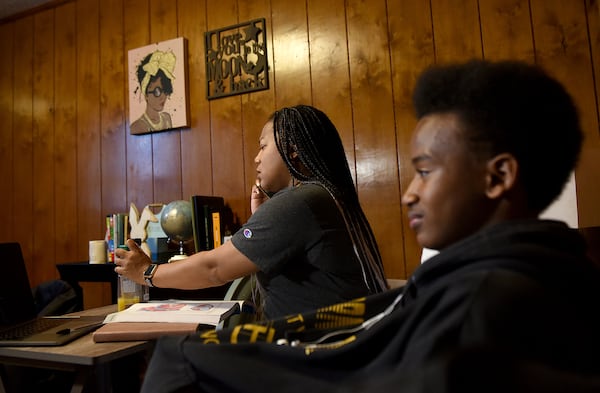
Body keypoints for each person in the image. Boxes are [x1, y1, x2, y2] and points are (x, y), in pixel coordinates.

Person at [139, 59, 600, 393]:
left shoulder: (484, 298)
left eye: (425, 170)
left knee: (181, 357)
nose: (408, 194)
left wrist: (147, 274)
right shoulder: (521, 271)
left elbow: (217, 268)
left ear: (498, 177)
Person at [116, 105, 388, 319]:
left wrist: (148, 272)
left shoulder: (301, 201)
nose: (257, 157)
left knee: (174, 360)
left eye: (263, 145)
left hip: (312, 357)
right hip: (341, 346)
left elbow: (214, 268)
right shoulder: (326, 196)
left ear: (292, 149)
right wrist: (262, 217)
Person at [130, 50, 175, 134]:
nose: (163, 97)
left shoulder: (167, 118)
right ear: (146, 94)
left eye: (165, 90)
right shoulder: (138, 126)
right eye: (157, 91)